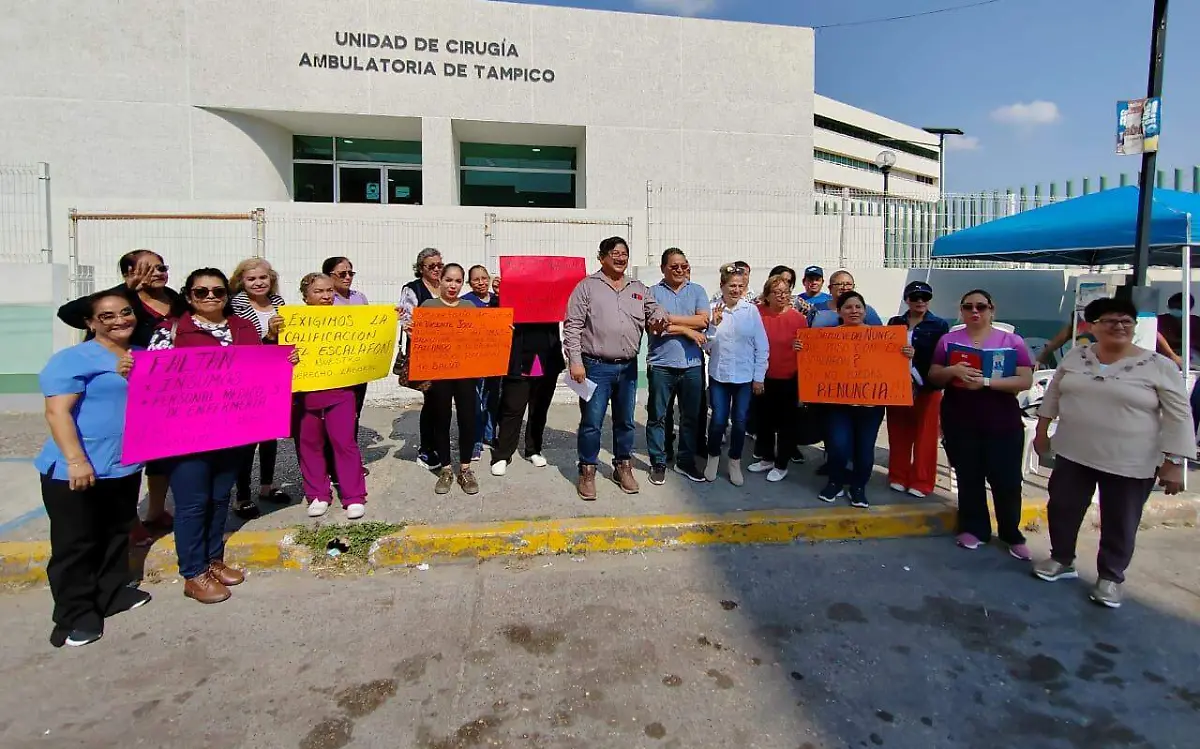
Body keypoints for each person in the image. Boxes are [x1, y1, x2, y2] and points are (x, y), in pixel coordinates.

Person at [1032, 297, 1194, 609]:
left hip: (1130, 461)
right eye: (1110, 321)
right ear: (1093, 327)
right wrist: (1042, 430)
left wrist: (1174, 462)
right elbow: (1053, 393)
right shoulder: (1078, 357)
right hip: (1073, 452)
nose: (1119, 326)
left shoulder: (1158, 366)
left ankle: (1111, 576)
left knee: (1120, 519)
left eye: (1126, 321)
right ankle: (1061, 559)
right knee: (1063, 508)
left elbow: (1180, 416)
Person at [36, 290, 149, 648]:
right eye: (108, 316)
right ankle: (75, 613)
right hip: (77, 468)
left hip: (123, 465)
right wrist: (76, 460)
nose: (120, 320)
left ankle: (112, 592)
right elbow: (57, 412)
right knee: (76, 542)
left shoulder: (141, 357)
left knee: (116, 533)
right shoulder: (72, 359)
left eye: (126, 312)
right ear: (90, 323)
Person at [147, 268, 263, 604]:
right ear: (188, 296)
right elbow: (153, 384)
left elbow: (258, 369)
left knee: (218, 496)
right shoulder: (169, 331)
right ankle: (193, 573)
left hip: (234, 430)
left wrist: (284, 360)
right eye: (202, 292)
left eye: (218, 291)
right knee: (192, 503)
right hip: (186, 435)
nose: (211, 297)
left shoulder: (243, 327)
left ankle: (213, 559)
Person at [57, 249, 182, 547]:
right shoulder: (123, 302)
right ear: (129, 273)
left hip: (165, 386)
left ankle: (156, 510)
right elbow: (69, 313)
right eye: (147, 269)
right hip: (124, 383)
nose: (158, 273)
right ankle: (130, 520)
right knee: (130, 451)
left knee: (162, 452)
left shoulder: (174, 299)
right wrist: (126, 289)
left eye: (161, 267)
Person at [928, 289, 1035, 558]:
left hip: (1002, 418)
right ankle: (974, 528)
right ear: (961, 311)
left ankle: (1011, 532)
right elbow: (934, 375)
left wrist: (986, 382)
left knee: (1007, 480)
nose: (975, 311)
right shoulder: (949, 340)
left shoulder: (1012, 341)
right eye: (968, 307)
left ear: (991, 309)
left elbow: (1024, 380)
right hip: (960, 416)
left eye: (981, 307)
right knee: (969, 476)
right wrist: (953, 371)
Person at [563, 236, 668, 500]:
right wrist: (575, 362)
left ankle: (623, 466)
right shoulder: (587, 287)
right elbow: (573, 326)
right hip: (595, 367)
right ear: (601, 257)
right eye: (614, 253)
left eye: (624, 253)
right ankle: (587, 470)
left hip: (628, 368)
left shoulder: (638, 287)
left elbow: (654, 311)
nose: (620, 257)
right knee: (591, 423)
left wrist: (658, 320)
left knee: (625, 422)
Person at [816, 291, 913, 508]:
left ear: (865, 310)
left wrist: (906, 355)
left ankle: (859, 487)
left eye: (858, 307)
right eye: (848, 307)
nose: (854, 311)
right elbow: (815, 366)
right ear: (839, 312)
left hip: (870, 406)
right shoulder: (824, 338)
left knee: (864, 449)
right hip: (837, 405)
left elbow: (895, 371)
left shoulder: (882, 338)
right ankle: (835, 482)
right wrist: (802, 349)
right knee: (838, 446)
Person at [292, 273, 370, 520]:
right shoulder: (292, 321)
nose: (326, 296)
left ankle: (354, 496)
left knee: (344, 442)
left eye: (329, 291)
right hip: (306, 392)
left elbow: (370, 338)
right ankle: (317, 494)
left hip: (341, 390)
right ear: (305, 296)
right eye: (319, 291)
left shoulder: (347, 319)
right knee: (309, 444)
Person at [229, 258, 290, 519]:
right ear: (241, 281)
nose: (258, 283)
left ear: (271, 279)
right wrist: (269, 338)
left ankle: (267, 485)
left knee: (269, 436)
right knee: (245, 440)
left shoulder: (279, 304)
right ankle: (242, 496)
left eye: (263, 278)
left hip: (273, 377)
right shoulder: (235, 306)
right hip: (245, 379)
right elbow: (243, 345)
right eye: (251, 279)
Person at [645, 248, 710, 485]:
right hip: (661, 365)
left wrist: (669, 319)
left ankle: (685, 461)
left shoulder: (697, 290)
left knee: (690, 416)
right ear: (663, 268)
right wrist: (685, 329)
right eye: (674, 266)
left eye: (684, 265)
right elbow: (654, 327)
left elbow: (703, 320)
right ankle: (659, 461)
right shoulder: (652, 293)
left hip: (692, 365)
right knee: (658, 416)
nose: (680, 270)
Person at [702, 263, 768, 486]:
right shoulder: (712, 309)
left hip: (744, 378)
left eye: (740, 286)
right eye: (731, 285)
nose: (736, 289)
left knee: (740, 422)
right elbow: (705, 345)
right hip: (720, 375)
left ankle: (734, 462)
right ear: (722, 286)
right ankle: (712, 459)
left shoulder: (751, 311)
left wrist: (759, 376)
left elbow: (762, 346)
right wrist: (713, 326)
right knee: (719, 420)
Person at [421, 264, 481, 495]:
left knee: (467, 419)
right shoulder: (429, 306)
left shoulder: (469, 306)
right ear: (440, 281)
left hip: (465, 373)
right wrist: (411, 331)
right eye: (448, 280)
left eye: (457, 281)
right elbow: (421, 339)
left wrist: (502, 331)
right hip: (439, 374)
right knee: (441, 419)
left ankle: (465, 468)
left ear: (462, 283)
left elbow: (480, 336)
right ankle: (446, 468)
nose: (452, 285)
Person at [886, 281, 950, 498]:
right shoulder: (895, 322)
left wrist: (917, 355)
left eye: (924, 297)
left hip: (926, 386)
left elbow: (942, 355)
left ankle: (922, 481)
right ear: (907, 300)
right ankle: (898, 475)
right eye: (915, 297)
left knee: (925, 435)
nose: (920, 301)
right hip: (898, 385)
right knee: (898, 432)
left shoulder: (939, 325)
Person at [747, 273, 807, 482]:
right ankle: (767, 459)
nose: (782, 296)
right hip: (762, 377)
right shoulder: (757, 313)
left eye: (786, 291)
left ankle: (781, 464)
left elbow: (807, 351)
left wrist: (802, 347)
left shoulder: (799, 319)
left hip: (788, 378)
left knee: (786, 425)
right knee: (763, 422)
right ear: (767, 295)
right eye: (777, 292)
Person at [490, 318, 566, 477]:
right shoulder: (515, 294)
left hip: (547, 357)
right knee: (512, 409)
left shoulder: (550, 296)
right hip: (519, 357)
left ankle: (533, 450)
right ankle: (502, 454)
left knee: (539, 410)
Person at [321, 256, 370, 480]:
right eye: (342, 274)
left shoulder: (360, 298)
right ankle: (331, 465)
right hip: (333, 369)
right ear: (329, 276)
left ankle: (349, 461)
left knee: (354, 415)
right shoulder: (324, 301)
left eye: (351, 273)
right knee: (332, 418)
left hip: (358, 368)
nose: (348, 277)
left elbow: (371, 326)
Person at [398, 248, 444, 470]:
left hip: (447, 353)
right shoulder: (412, 289)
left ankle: (439, 443)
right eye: (431, 266)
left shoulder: (445, 286)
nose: (436, 269)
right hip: (425, 352)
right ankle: (426, 449)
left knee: (442, 400)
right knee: (431, 400)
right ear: (421, 269)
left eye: (439, 265)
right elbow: (408, 323)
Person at [462, 265, 502, 462]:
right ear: (470, 283)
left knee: (493, 399)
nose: (481, 282)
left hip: (496, 358)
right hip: (474, 360)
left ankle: (489, 435)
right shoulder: (466, 302)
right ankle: (475, 442)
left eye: (484, 278)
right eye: (476, 279)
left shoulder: (497, 300)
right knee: (475, 403)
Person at [1155, 292, 1200, 435]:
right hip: (1165, 367)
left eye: (1180, 307)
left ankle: (1189, 437)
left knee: (1192, 406)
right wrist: (1173, 356)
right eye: (1174, 307)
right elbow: (1156, 334)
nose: (1176, 310)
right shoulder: (1160, 321)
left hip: (1192, 369)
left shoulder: (1195, 322)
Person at [810, 271, 883, 328]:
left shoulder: (867, 310)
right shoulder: (817, 309)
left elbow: (879, 334)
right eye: (839, 284)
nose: (844, 288)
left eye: (848, 284)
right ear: (830, 288)